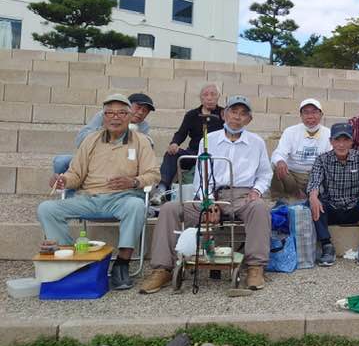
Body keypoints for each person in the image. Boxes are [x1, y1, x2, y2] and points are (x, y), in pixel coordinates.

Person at [139, 95, 273, 293]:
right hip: (208, 194)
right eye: (233, 112)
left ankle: (255, 266)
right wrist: (208, 201)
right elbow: (201, 176)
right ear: (223, 114)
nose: (237, 117)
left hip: (240, 195)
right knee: (169, 209)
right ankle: (162, 269)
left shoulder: (257, 142)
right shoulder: (208, 140)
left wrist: (257, 190)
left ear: (249, 120)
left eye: (243, 114)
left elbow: (264, 173)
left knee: (260, 208)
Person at [38, 94, 160, 291]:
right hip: (90, 198)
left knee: (136, 205)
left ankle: (122, 264)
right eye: (109, 113)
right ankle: (72, 260)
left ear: (129, 117)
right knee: (46, 208)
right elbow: (76, 173)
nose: (115, 117)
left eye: (121, 113)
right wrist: (64, 180)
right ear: (103, 117)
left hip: (123, 198)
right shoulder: (91, 140)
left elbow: (153, 174)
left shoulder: (141, 141)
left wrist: (134, 181)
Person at [307, 122, 359, 267]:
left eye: (346, 140)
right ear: (331, 141)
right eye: (337, 140)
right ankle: (327, 245)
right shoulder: (322, 159)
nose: (341, 144)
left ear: (352, 141)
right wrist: (313, 196)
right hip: (332, 207)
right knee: (314, 201)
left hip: (355, 208)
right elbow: (314, 181)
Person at [53, 92, 155, 174]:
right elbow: (80, 141)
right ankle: (69, 193)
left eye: (145, 111)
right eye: (138, 107)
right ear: (127, 106)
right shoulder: (104, 116)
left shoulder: (143, 126)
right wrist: (106, 128)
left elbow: (144, 150)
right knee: (60, 161)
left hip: (121, 163)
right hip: (94, 157)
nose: (141, 112)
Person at [154, 84, 224, 201]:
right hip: (194, 153)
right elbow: (181, 133)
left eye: (213, 94)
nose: (209, 98)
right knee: (172, 154)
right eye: (205, 95)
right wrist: (174, 143)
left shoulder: (224, 114)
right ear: (201, 98)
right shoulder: (192, 115)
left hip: (216, 154)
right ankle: (162, 188)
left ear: (218, 97)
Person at [270, 98, 331, 200]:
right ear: (301, 116)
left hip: (315, 174)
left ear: (321, 115)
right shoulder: (290, 131)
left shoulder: (328, 133)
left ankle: (310, 196)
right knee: (278, 167)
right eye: (306, 113)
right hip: (293, 175)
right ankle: (280, 199)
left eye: (314, 112)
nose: (310, 116)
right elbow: (279, 153)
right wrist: (280, 161)